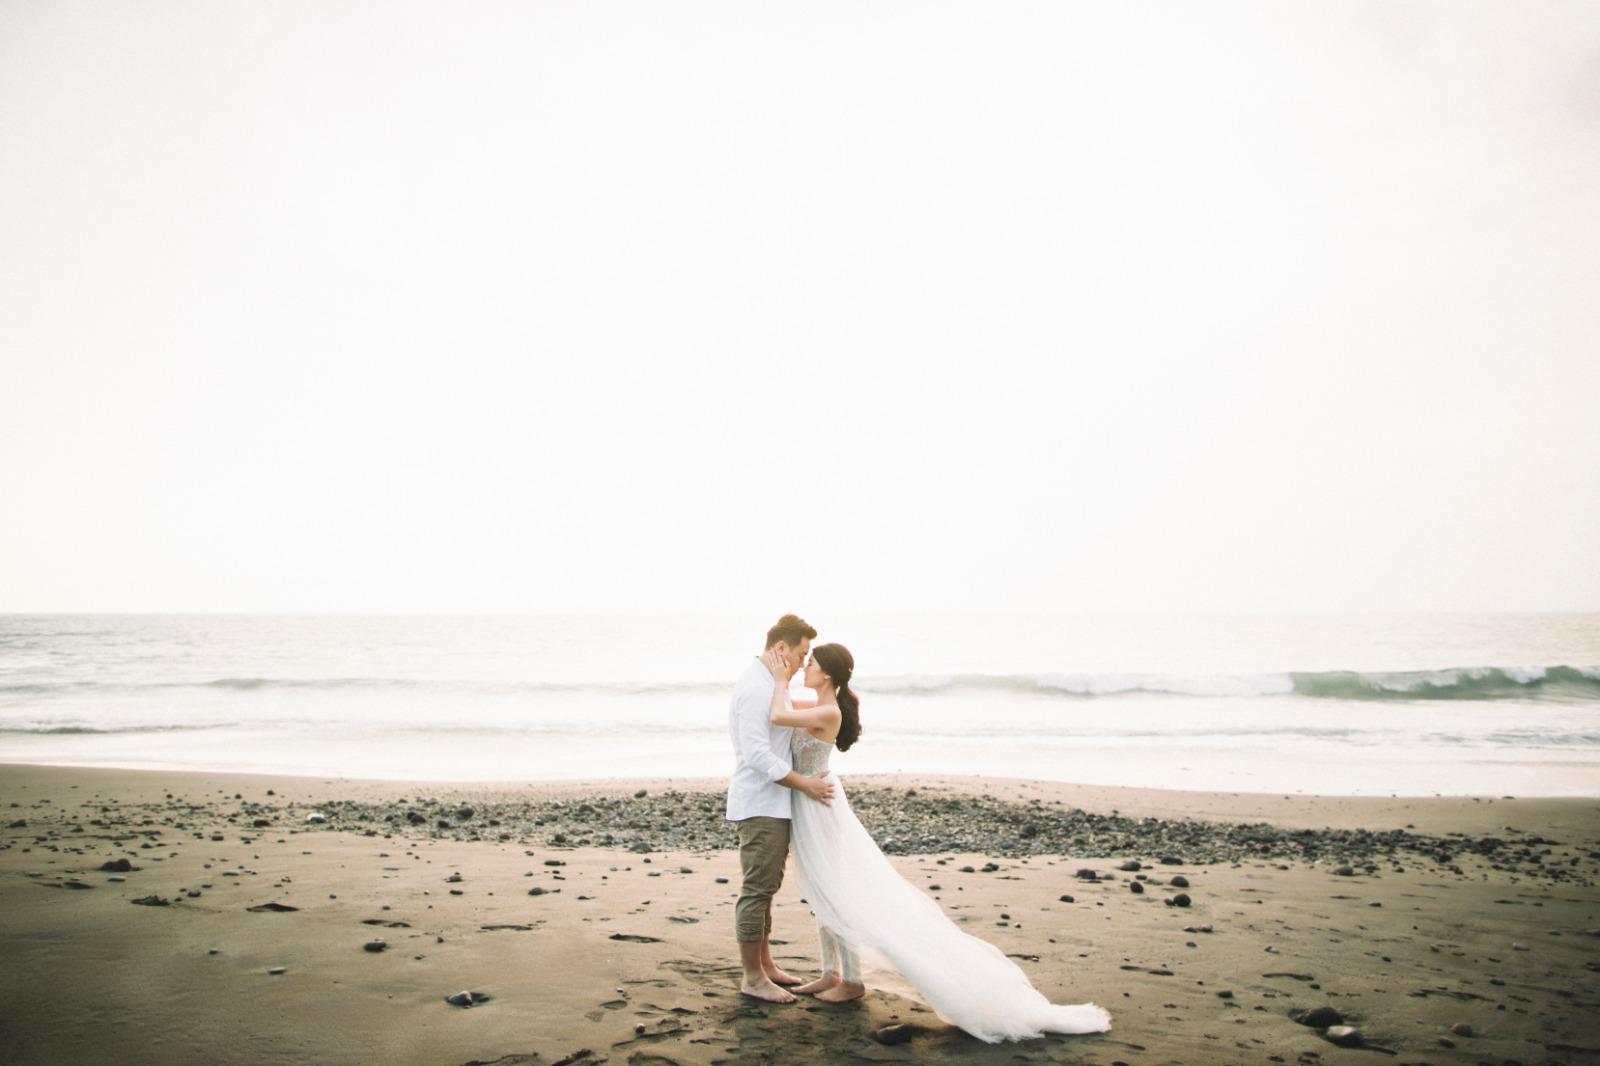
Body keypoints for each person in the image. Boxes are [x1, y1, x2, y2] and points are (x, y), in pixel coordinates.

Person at [760, 641, 1113, 1042]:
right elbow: (783, 716)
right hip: (810, 799)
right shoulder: (817, 705)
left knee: (840, 891)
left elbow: (776, 714)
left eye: (811, 663)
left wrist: (776, 678)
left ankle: (852, 981)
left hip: (820, 804)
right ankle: (829, 973)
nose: (805, 666)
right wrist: (783, 681)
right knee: (821, 890)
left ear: (828, 674)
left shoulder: (829, 710)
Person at [725, 613, 836, 1004]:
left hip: (773, 803)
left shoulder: (772, 683)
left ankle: (766, 965)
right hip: (759, 804)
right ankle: (753, 977)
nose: (804, 661)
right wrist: (804, 782)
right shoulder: (757, 688)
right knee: (756, 890)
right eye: (802, 652)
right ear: (781, 648)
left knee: (767, 887)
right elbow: (756, 754)